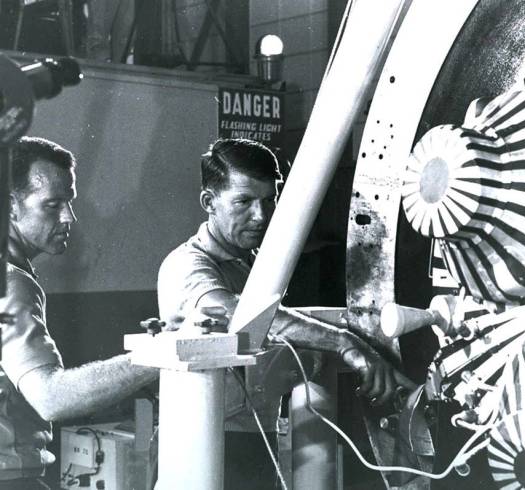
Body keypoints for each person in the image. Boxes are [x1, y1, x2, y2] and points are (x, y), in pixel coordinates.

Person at [157, 138, 416, 489]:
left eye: (268, 200)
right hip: (204, 443)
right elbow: (238, 315)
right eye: (243, 202)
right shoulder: (188, 265)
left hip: (253, 437)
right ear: (209, 202)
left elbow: (278, 333)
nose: (260, 215)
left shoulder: (255, 264)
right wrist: (342, 341)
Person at [0, 136, 228, 489]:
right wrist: (164, 352)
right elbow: (51, 398)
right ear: (10, 206)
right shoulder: (12, 283)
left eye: (69, 202)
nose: (69, 217)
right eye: (52, 204)